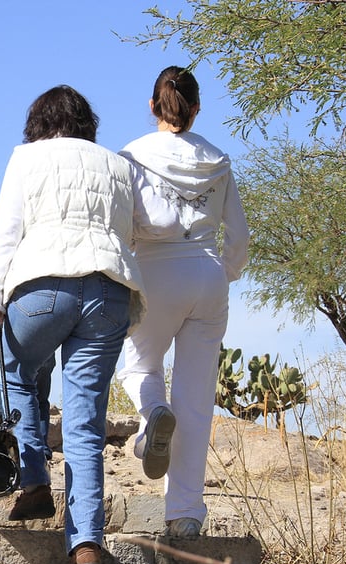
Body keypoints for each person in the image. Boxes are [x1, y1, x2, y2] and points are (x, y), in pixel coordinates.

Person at [0, 85, 145, 564]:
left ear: (38, 122)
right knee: (86, 421)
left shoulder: (26, 159)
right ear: (87, 123)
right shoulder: (118, 164)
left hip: (44, 285)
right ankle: (87, 544)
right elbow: (131, 231)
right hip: (111, 290)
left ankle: (33, 479)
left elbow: (5, 233)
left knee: (19, 368)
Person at [117, 66, 250, 539]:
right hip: (208, 272)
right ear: (196, 109)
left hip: (155, 269)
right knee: (196, 400)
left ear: (153, 106)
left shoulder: (131, 156)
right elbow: (240, 237)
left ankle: (153, 414)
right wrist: (224, 273)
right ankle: (187, 515)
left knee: (139, 366)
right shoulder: (219, 160)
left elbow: (121, 225)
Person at [0, 251, 55, 461]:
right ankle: (42, 449)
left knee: (8, 393)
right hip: (45, 334)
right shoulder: (40, 253)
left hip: (9, 336)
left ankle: (15, 452)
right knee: (40, 398)